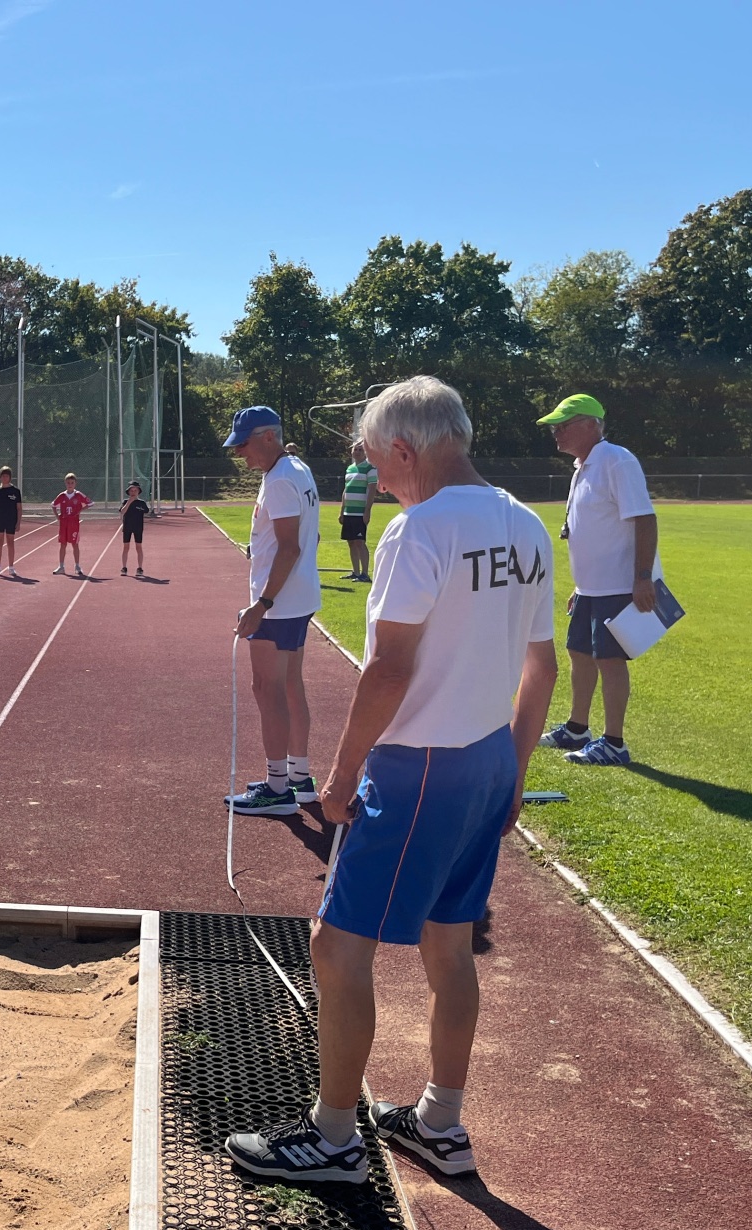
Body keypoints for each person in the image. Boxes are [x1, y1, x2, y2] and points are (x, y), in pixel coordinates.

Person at [224, 376, 558, 1185]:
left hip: (421, 767)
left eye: (375, 463)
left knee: (337, 950)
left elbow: (388, 669)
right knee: (449, 944)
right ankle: (440, 1121)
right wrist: (514, 772)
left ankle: (334, 1137)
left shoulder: (419, 531)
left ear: (406, 450)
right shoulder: (528, 524)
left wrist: (339, 778)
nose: (372, 480)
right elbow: (539, 666)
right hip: (484, 759)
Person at [535, 394, 657, 766]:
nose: (556, 432)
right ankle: (577, 727)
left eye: (564, 424)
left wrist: (641, 578)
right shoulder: (583, 466)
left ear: (591, 424)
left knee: (609, 658)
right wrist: (580, 584)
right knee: (579, 653)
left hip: (618, 584)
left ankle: (614, 742)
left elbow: (645, 519)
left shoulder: (616, 460)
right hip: (591, 586)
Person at [226, 406, 323, 814]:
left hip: (279, 604)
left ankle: (277, 786)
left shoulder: (282, 478)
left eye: (245, 444)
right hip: (296, 598)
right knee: (289, 686)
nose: (240, 453)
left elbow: (291, 545)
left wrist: (262, 604)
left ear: (268, 436)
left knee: (266, 688)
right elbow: (302, 536)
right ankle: (297, 777)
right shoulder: (294, 468)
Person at [340, 440, 376, 581]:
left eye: (361, 450)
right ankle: (355, 572)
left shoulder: (370, 468)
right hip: (349, 511)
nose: (357, 452)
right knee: (351, 542)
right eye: (356, 449)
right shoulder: (349, 469)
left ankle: (365, 573)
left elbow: (372, 489)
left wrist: (367, 510)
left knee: (360, 541)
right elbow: (346, 491)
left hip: (360, 512)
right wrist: (342, 510)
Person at [52, 473, 91, 576]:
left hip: (73, 523)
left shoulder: (78, 495)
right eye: (68, 482)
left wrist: (80, 510)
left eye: (72, 483)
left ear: (75, 483)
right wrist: (57, 517)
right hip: (64, 522)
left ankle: (77, 566)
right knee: (63, 544)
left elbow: (90, 503)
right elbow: (53, 505)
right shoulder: (62, 495)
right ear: (65, 483)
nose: (70, 484)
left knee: (75, 544)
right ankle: (61, 566)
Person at [0, 465, 22, 577]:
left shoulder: (16, 491)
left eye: (7, 476)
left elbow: (19, 508)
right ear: (0, 477)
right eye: (3, 476)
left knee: (10, 542)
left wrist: (18, 523)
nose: (5, 478)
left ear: (10, 477)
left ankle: (11, 567)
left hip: (11, 519)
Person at [119, 481, 151, 576]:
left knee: (138, 547)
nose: (133, 492)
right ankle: (124, 567)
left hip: (138, 528)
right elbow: (122, 511)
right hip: (127, 527)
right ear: (128, 492)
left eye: (135, 490)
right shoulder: (125, 502)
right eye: (131, 491)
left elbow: (146, 511)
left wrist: (138, 505)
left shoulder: (141, 503)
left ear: (138, 491)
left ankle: (140, 568)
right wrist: (129, 502)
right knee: (126, 547)